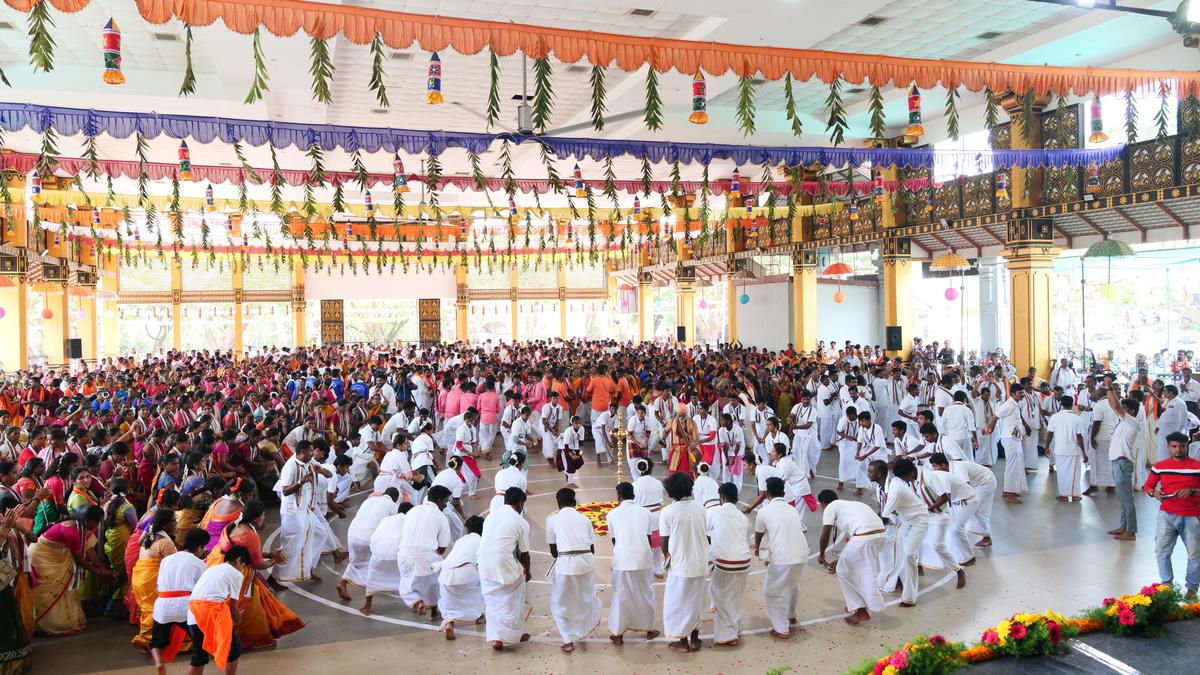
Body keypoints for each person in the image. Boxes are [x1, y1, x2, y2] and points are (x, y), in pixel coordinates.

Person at [205, 500, 305, 648]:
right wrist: (275, 560)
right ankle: (251, 638)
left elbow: (247, 552)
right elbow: (258, 564)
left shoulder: (233, 525)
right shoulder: (250, 535)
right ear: (255, 518)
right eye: (263, 516)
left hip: (219, 564)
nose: (264, 519)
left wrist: (268, 554)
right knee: (250, 606)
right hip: (239, 572)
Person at [28, 504, 114, 636]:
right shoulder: (73, 531)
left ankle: (63, 620)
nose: (97, 526)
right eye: (96, 522)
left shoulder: (81, 526)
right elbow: (79, 559)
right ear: (87, 521)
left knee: (62, 588)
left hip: (57, 555)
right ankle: (46, 623)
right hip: (43, 557)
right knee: (50, 590)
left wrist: (101, 567)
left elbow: (89, 549)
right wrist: (98, 572)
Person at [1144, 431, 1200, 600]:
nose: (1178, 450)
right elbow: (1147, 486)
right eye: (1174, 447)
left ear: (1187, 446)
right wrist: (1155, 493)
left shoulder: (1197, 466)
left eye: (1181, 446)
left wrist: (1192, 491)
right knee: (1162, 551)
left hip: (1192, 515)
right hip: (1166, 514)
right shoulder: (1160, 466)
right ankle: (1167, 586)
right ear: (1168, 447)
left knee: (1195, 554)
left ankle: (1191, 588)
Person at [817, 489, 885, 625]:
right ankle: (856, 604)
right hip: (881, 536)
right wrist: (843, 558)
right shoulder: (851, 505)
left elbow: (825, 536)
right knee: (854, 569)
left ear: (823, 504)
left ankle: (860, 610)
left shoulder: (830, 507)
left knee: (842, 570)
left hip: (865, 537)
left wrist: (821, 554)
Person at [545, 487, 601, 653]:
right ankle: (582, 632)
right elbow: (592, 547)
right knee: (583, 599)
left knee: (559, 602)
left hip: (566, 564)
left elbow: (553, 551)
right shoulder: (584, 519)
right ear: (574, 502)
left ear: (558, 503)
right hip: (587, 562)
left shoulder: (552, 520)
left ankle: (567, 639)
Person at [148, 528, 210, 675]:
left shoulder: (166, 560)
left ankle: (159, 664)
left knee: (156, 643)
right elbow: (201, 591)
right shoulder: (199, 564)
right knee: (200, 650)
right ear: (200, 547)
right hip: (185, 607)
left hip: (162, 605)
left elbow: (158, 589)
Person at [753, 476, 809, 640]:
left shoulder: (764, 511)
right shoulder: (792, 509)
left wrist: (759, 551)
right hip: (801, 553)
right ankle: (791, 615)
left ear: (767, 493)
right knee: (793, 585)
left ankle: (781, 628)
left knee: (773, 591)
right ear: (783, 492)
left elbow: (759, 535)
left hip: (782, 556)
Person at [659, 472, 709, 654]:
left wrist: (667, 557)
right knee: (696, 601)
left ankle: (682, 641)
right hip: (700, 561)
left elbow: (663, 541)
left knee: (678, 602)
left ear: (670, 491)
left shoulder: (668, 512)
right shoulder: (701, 508)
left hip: (680, 564)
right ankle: (695, 639)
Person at [478, 487, 532, 651]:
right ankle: (513, 634)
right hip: (503, 563)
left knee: (493, 602)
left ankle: (496, 638)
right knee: (514, 598)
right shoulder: (520, 521)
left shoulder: (490, 516)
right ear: (519, 503)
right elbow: (525, 554)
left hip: (483, 563)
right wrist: (527, 572)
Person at [605, 482, 658, 645]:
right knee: (645, 592)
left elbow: (615, 540)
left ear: (618, 497)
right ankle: (649, 629)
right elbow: (648, 538)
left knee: (621, 594)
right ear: (633, 495)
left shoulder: (611, 514)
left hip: (622, 557)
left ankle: (618, 634)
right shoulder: (646, 513)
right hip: (643, 556)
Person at [187, 544, 253, 674]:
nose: (242, 569)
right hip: (210, 615)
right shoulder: (235, 574)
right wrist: (238, 618)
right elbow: (234, 607)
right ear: (239, 560)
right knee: (234, 650)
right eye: (243, 566)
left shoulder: (211, 569)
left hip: (193, 615)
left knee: (199, 658)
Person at [273, 440, 329, 582]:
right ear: (303, 452)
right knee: (291, 545)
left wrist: (322, 470)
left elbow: (327, 473)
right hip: (293, 511)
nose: (313, 453)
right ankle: (275, 577)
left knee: (320, 535)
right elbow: (285, 490)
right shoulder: (290, 466)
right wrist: (300, 483)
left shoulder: (309, 463)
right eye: (311, 451)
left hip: (306, 509)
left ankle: (307, 568)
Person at [397, 485, 452, 619]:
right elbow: (442, 547)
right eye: (445, 501)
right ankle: (434, 612)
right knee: (435, 583)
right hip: (427, 555)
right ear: (439, 500)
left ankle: (417, 601)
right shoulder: (441, 516)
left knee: (405, 584)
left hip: (404, 554)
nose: (445, 505)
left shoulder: (412, 511)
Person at [707, 481, 751, 646]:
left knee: (719, 596)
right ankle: (735, 625)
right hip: (744, 561)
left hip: (725, 561)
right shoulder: (743, 517)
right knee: (735, 595)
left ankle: (728, 634)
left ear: (722, 497)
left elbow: (704, 533)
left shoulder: (714, 513)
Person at [336, 488, 400, 602]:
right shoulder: (393, 506)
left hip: (352, 534)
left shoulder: (369, 500)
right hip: (367, 537)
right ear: (395, 499)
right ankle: (370, 597)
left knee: (355, 562)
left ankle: (342, 583)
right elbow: (390, 528)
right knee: (371, 565)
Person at [131, 507, 179, 649]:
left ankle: (149, 639)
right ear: (165, 525)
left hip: (140, 578)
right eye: (174, 521)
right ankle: (148, 640)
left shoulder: (151, 535)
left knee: (149, 610)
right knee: (155, 610)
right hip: (150, 580)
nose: (176, 523)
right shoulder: (165, 542)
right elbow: (175, 564)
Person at [360, 502, 414, 616]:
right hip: (399, 557)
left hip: (379, 555)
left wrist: (375, 551)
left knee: (372, 576)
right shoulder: (410, 521)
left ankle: (367, 605)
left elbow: (375, 536)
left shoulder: (386, 520)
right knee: (410, 575)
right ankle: (416, 603)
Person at [438, 515, 486, 640]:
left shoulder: (461, 541)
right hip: (466, 573)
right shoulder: (482, 541)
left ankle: (449, 623)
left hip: (445, 574)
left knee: (448, 602)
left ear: (468, 529)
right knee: (484, 584)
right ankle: (480, 616)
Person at [981, 384, 1030, 503]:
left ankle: (1012, 490)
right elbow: (995, 416)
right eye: (1020, 393)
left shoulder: (1014, 404)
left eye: (1023, 393)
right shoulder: (1009, 404)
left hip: (1015, 438)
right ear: (1013, 394)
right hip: (1009, 439)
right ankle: (1008, 492)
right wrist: (990, 428)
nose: (1023, 395)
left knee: (1017, 464)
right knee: (1012, 465)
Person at [1046, 395, 1087, 501]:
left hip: (1059, 450)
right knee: (1074, 473)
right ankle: (1075, 495)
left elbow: (1050, 433)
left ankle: (1063, 494)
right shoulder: (1077, 418)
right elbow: (1079, 437)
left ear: (1061, 404)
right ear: (1072, 405)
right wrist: (1084, 452)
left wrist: (1046, 447)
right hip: (1073, 450)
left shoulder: (1054, 417)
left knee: (1061, 472)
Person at [631, 458, 665, 577]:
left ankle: (643, 566)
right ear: (651, 468)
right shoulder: (658, 483)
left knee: (643, 542)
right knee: (658, 544)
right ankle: (658, 568)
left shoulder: (634, 485)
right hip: (658, 514)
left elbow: (633, 503)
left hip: (642, 516)